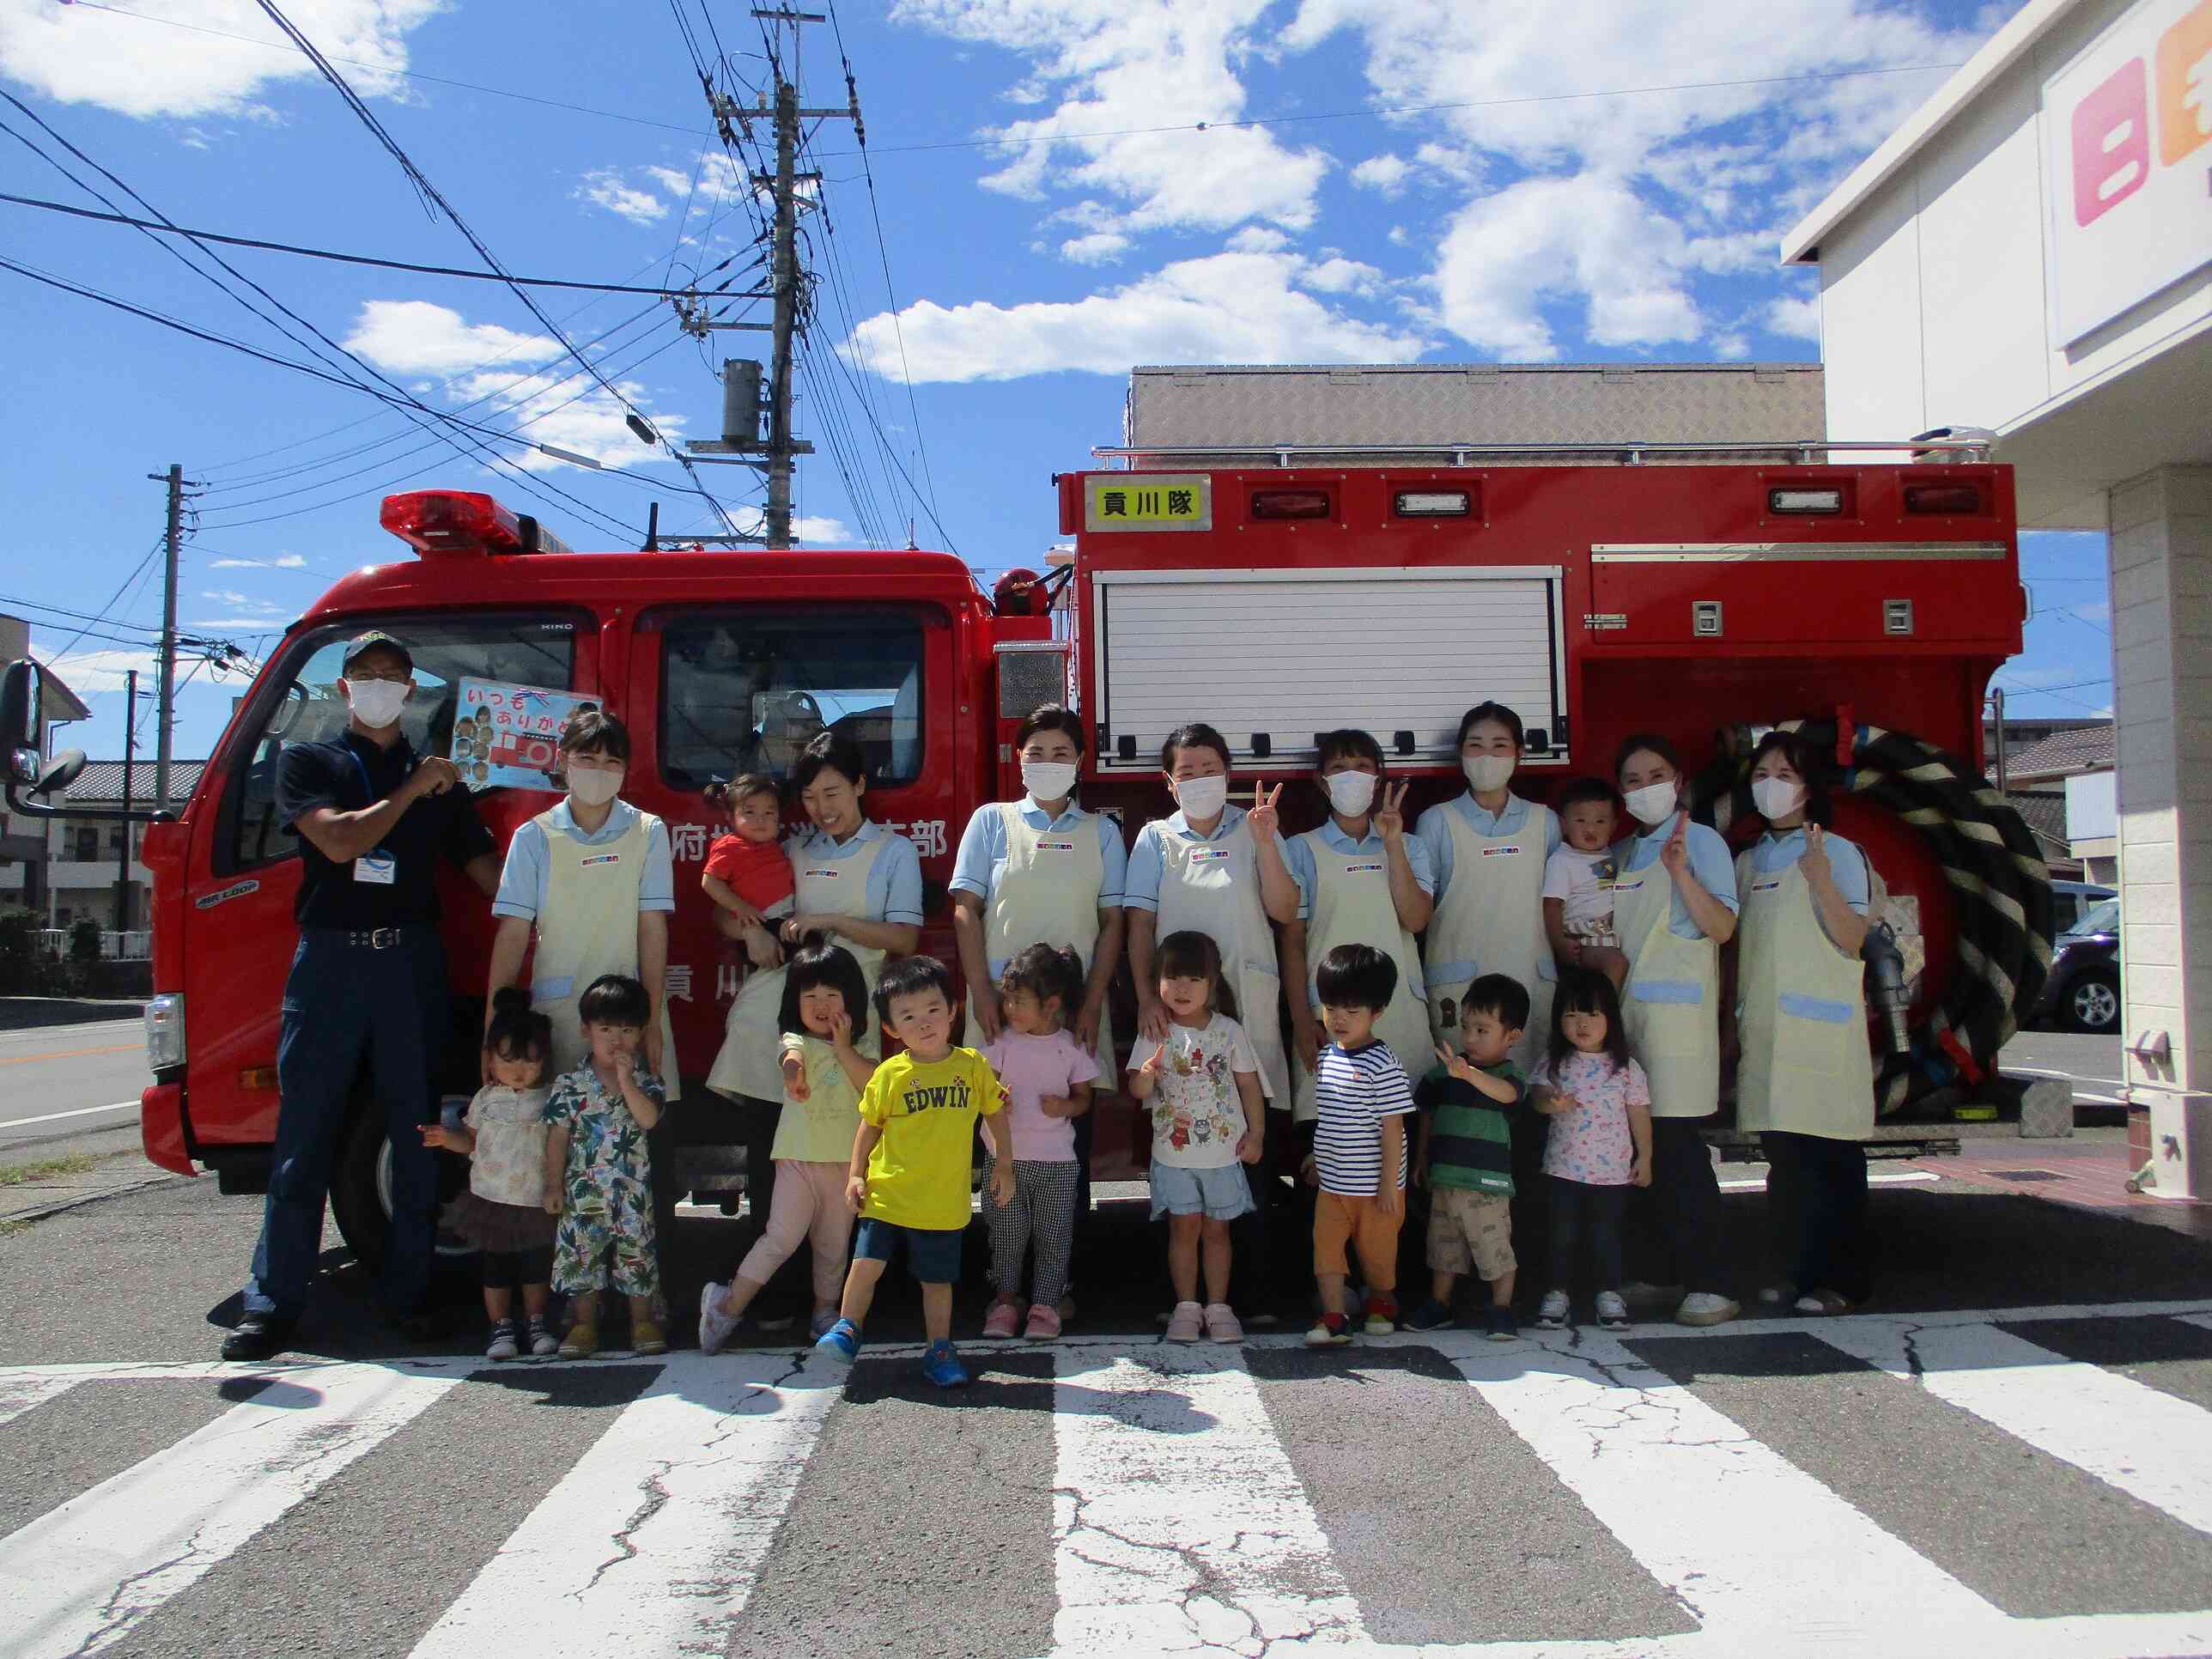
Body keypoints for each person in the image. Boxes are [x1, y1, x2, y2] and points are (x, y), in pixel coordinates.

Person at [226, 629, 500, 1363]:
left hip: (410, 965)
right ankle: (273, 1303)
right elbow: (340, 843)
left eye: (394, 674)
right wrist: (413, 790)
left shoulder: (443, 775)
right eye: (366, 673)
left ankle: (409, 1298)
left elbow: (484, 871)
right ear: (346, 689)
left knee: (415, 1138)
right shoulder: (310, 760)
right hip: (331, 967)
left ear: (411, 692)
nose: (380, 684)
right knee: (304, 1139)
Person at [707, 732, 921, 1320]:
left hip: (862, 999)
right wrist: (746, 930)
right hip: (790, 999)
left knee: (859, 1148)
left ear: (859, 785)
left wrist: (830, 919)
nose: (822, 808)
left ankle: (854, 1291)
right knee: (773, 1143)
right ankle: (776, 1287)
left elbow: (904, 938)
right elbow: (733, 912)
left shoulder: (894, 852)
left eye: (833, 792)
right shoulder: (793, 848)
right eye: (810, 797)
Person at [951, 703, 1127, 1281]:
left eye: (1060, 752)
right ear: (1016, 759)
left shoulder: (1104, 832)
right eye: (1036, 753)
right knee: (997, 1138)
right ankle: (1004, 1284)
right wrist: (981, 991)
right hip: (1004, 1015)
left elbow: (1113, 924)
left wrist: (1093, 1004)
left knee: (1064, 1145)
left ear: (1080, 761)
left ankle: (1057, 1284)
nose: (1048, 763)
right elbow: (966, 910)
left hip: (1069, 1016)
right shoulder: (992, 821)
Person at [1125, 722, 1295, 1300]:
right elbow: (1140, 924)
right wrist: (1149, 997)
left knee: (1249, 1136)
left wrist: (1268, 843)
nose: (1199, 779)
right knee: (1183, 1135)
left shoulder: (1255, 830)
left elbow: (1286, 908)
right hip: (1181, 1013)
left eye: (1209, 768)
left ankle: (1256, 1288)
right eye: (1187, 771)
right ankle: (1183, 1294)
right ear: (1168, 783)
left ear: (1230, 773)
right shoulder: (1154, 839)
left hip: (1245, 1001)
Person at [813, 957, 1012, 1388]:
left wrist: (1005, 1165)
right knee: (865, 1263)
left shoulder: (973, 1067)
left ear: (953, 1010)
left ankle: (939, 1350)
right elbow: (868, 1127)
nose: (924, 1023)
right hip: (887, 1193)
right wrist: (855, 1175)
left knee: (937, 1282)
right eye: (908, 1016)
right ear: (891, 1028)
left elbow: (995, 1113)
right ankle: (848, 1328)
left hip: (943, 1200)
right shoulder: (889, 1074)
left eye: (933, 1010)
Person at [1734, 730, 1877, 1316]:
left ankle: (1841, 1282)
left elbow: (1853, 938)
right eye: (1763, 772)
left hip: (1824, 1036)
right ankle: (1793, 1273)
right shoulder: (1748, 860)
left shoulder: (1839, 853)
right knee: (1786, 1168)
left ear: (1810, 788)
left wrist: (1818, 877)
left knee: (1834, 1163)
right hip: (1768, 1033)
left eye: (1785, 775)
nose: (1772, 784)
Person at [1613, 733, 1741, 1328]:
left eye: (1655, 775)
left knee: (1681, 1155)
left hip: (1679, 1026)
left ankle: (1713, 1280)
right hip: (1631, 1020)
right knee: (1642, 1153)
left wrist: (1683, 873)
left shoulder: (1702, 842)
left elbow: (1721, 926)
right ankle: (1663, 1272)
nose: (1645, 789)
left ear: (1679, 779)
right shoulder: (1623, 852)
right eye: (1633, 781)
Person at [697, 942, 878, 1353]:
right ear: (793, 1001)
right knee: (780, 1238)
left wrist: (844, 1047)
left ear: (853, 999)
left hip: (845, 1164)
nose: (821, 1004)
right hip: (796, 1160)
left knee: (833, 1245)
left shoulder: (863, 1047)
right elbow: (790, 1058)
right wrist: (793, 1075)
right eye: (809, 995)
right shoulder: (794, 1038)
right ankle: (726, 1305)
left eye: (832, 995)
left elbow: (870, 1083)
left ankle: (825, 1313)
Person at [486, 709, 678, 1093]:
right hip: (558, 1013)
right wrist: (492, 1031)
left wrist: (653, 1020)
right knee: (559, 1133)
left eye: (612, 761)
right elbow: (511, 935)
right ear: (562, 760)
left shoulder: (648, 831)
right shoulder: (533, 836)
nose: (599, 770)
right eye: (587, 759)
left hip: (628, 1015)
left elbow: (652, 926)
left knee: (631, 1134)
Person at [1263, 729, 1434, 1122]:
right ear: (1321, 781)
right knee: (1331, 1144)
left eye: (1361, 767)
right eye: (1339, 768)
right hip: (1329, 1018)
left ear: (1378, 776)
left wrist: (1391, 844)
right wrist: (1303, 1021)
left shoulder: (1411, 846)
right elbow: (1291, 941)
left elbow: (1416, 918)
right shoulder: (1301, 848)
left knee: (1399, 1138)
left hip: (1400, 1013)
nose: (1351, 776)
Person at [1127, 931, 1264, 1344]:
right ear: (1158, 983)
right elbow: (1137, 1090)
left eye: (1194, 979)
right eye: (1173, 978)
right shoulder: (1155, 1030)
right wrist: (1146, 1078)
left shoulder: (1229, 1030)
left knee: (1218, 1232)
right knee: (1183, 1231)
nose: (1182, 989)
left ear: (1213, 984)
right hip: (1173, 1155)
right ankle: (1186, 1306)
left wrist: (1256, 1134)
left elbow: (1250, 1087)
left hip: (1224, 1154)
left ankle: (1219, 1306)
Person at [1415, 702, 1562, 1071]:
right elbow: (1418, 907)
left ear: (1519, 754)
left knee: (1528, 1086)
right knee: (1462, 1084)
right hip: (1458, 985)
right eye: (1476, 745)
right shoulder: (1436, 821)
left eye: (1499, 746)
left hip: (1530, 976)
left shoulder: (1546, 821)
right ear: (1461, 754)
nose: (1487, 756)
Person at [423, 988, 561, 1361]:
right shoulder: (485, 1098)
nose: (520, 1070)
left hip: (535, 1198)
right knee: (496, 1268)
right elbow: (471, 1141)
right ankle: (500, 1328)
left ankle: (536, 1322)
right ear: (490, 1059)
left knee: (536, 1266)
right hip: (492, 1199)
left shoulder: (551, 1096)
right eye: (509, 1060)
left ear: (544, 1061)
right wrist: (446, 1138)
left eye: (530, 1062)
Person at [978, 944, 1100, 1341]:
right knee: (1008, 1236)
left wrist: (1065, 1104)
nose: (1010, 1008)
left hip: (1057, 1163)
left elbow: (1085, 1100)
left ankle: (1045, 1307)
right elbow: (981, 1091)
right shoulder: (1001, 1044)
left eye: (1019, 1001)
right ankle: (1005, 1302)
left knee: (1053, 1236)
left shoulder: (1071, 1046)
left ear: (1051, 1004)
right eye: (1007, 999)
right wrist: (996, 1097)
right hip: (1005, 1161)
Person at [544, 974, 669, 1359]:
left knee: (637, 1253)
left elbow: (648, 1120)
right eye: (606, 1029)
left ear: (641, 1033)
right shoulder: (569, 1085)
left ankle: (642, 1321)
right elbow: (557, 1139)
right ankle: (584, 1325)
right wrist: (552, 1184)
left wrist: (626, 1080)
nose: (616, 1039)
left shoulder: (647, 1082)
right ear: (586, 1030)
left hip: (632, 1191)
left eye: (627, 1030)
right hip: (583, 1193)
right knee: (582, 1254)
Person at [1406, 973, 1531, 1340]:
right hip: (1445, 1179)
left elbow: (1509, 1095)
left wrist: (1469, 1074)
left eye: (1483, 1030)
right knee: (1444, 1249)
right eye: (1466, 1028)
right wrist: (1421, 1159)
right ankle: (1439, 1304)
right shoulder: (1443, 1076)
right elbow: (1426, 1113)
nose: (1470, 1038)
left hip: (1487, 1183)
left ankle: (1502, 1309)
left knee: (1494, 1249)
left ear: (1513, 1036)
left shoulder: (1508, 1074)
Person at [1304, 944, 1416, 1346]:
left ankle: (1381, 1303)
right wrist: (1319, 1156)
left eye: (1352, 1012)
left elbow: (1392, 1128)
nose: (1339, 1020)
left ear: (1378, 1012)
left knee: (1377, 1254)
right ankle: (1334, 1316)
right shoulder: (1328, 1057)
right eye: (1331, 1009)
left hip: (1375, 1189)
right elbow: (1331, 1116)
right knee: (1327, 1249)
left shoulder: (1383, 1064)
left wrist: (1389, 1185)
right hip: (1334, 1186)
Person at [1531, 968, 1653, 1333]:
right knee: (1561, 1236)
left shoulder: (1626, 1067)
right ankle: (1557, 1294)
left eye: (1592, 1014)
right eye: (1571, 1015)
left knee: (1607, 1236)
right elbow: (1537, 1097)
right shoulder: (1554, 1062)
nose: (1581, 1024)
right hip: (1562, 1170)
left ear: (1611, 1020)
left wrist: (1645, 1156)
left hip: (1612, 1174)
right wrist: (1550, 1102)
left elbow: (1639, 1113)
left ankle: (1609, 1294)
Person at [701, 772, 798, 986]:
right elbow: (710, 881)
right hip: (763, 924)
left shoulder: (774, 846)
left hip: (785, 921)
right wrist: (741, 908)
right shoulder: (729, 845)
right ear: (730, 816)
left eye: (769, 812)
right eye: (749, 812)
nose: (760, 820)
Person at [1544, 778, 1627, 990]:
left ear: (1614, 825)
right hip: (1583, 936)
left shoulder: (1610, 854)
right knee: (1617, 964)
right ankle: (1605, 1011)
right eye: (1581, 820)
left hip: (1607, 934)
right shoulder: (1563, 860)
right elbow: (1552, 905)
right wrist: (1559, 944)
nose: (1590, 829)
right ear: (1564, 824)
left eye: (1600, 821)